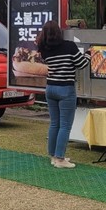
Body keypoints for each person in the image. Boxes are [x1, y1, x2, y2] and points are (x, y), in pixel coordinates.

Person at [35, 20, 90, 169]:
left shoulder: (44, 49)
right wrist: (90, 54)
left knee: (54, 123)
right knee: (65, 126)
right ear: (59, 32)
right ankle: (60, 159)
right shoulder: (69, 46)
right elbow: (82, 64)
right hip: (65, 89)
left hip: (50, 88)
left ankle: (54, 155)